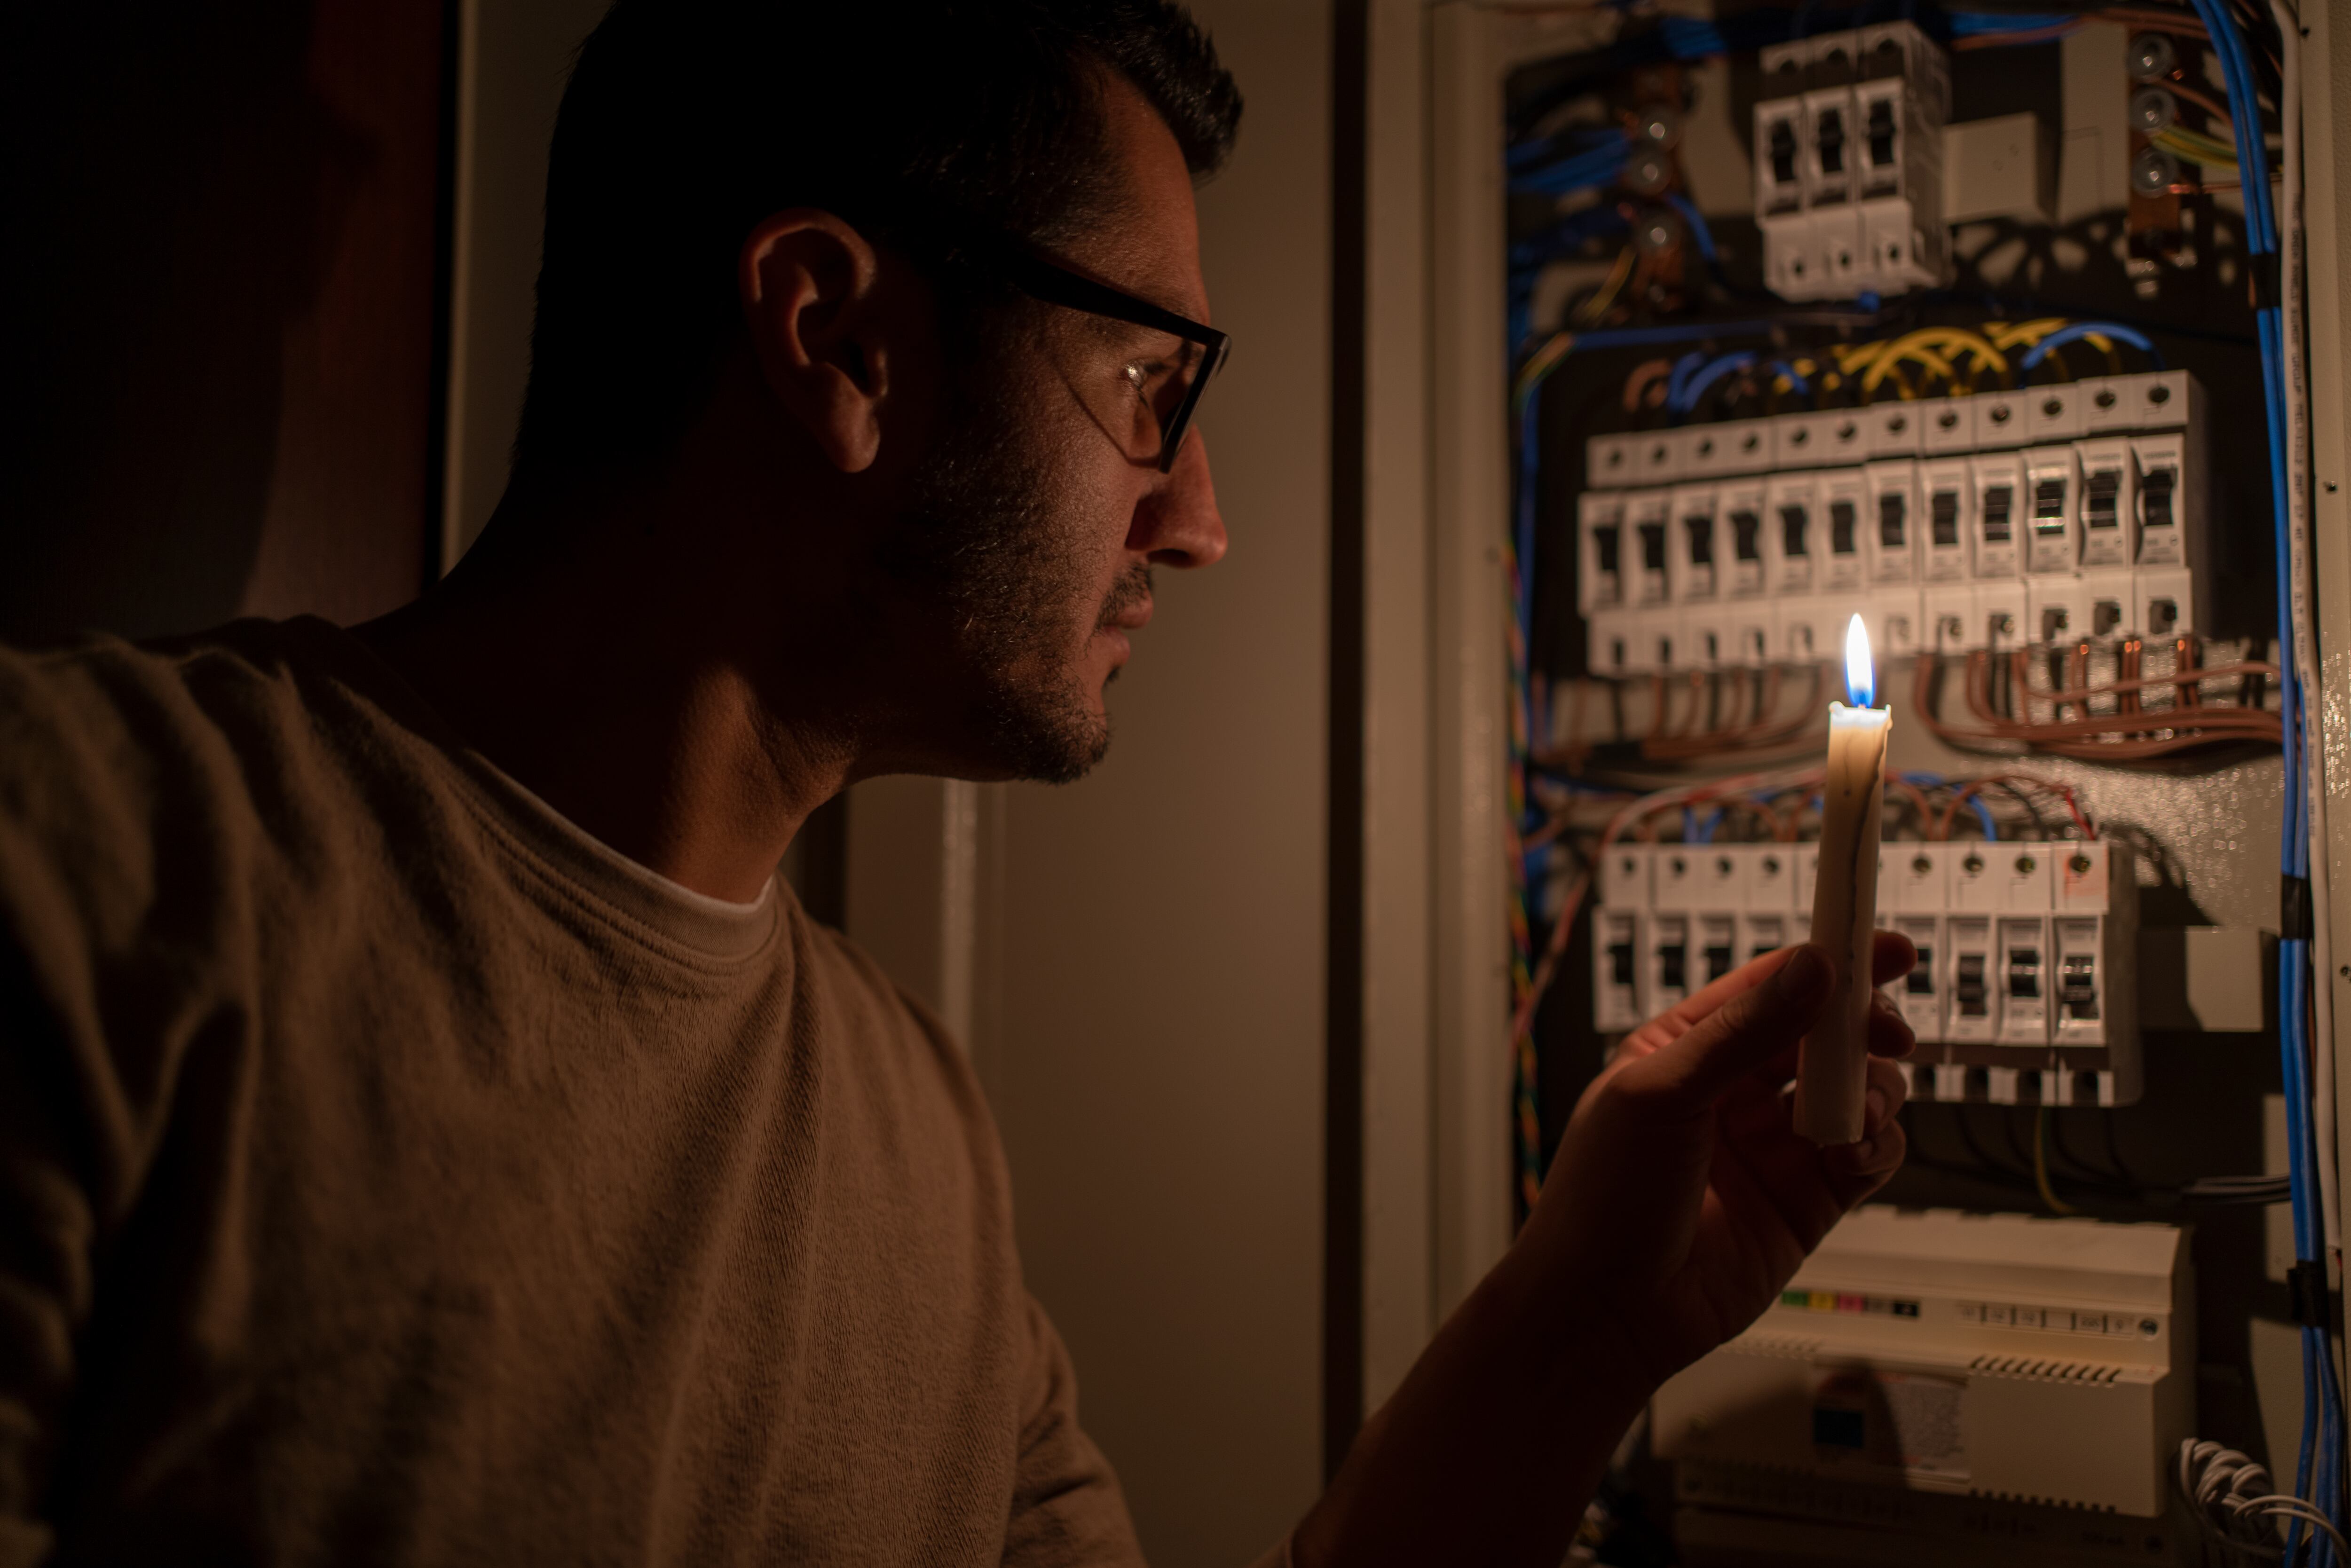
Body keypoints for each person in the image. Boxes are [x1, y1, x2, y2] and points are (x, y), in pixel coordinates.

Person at [0, 1, 1916, 1563]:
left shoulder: (909, 1129)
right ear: (832, 338)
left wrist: (1578, 1328)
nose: (1201, 520)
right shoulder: (85, 861)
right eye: (1150, 384)